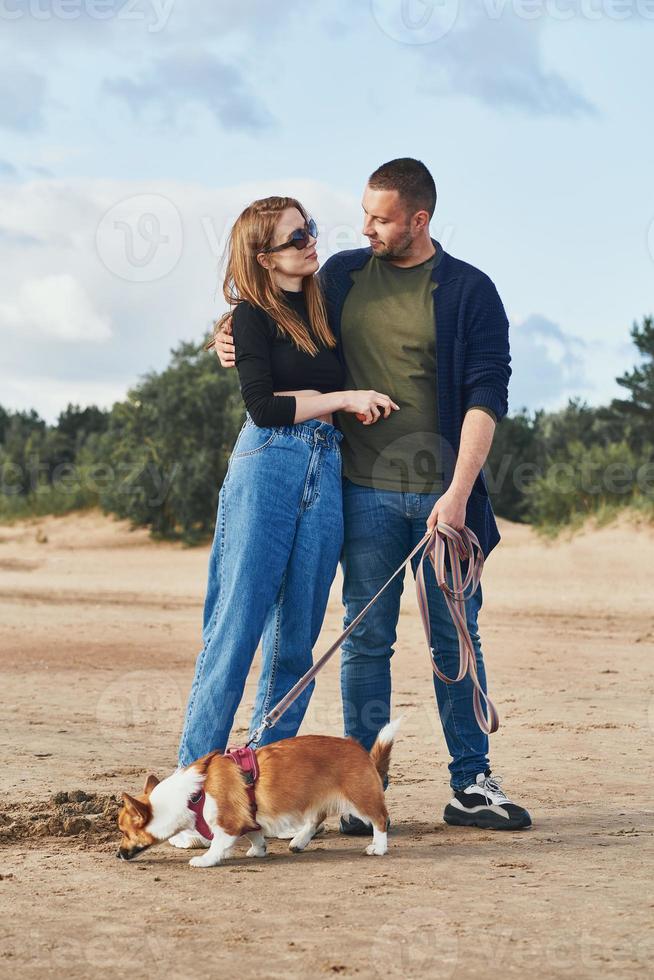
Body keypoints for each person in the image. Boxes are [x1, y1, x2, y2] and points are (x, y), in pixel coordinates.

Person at [214, 161, 532, 832]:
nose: (365, 228)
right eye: (363, 214)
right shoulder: (342, 277)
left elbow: (486, 398)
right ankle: (364, 795)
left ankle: (471, 784)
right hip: (361, 496)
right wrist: (227, 336)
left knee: (456, 641)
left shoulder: (471, 292)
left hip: (447, 502)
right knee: (366, 645)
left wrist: (458, 495)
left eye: (381, 218)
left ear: (419, 220)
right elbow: (271, 313)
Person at [177, 195, 398, 785]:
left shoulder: (328, 301)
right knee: (237, 626)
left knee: (295, 642)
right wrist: (346, 399)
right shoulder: (250, 316)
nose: (310, 243)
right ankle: (194, 789)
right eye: (296, 238)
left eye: (310, 231)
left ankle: (262, 789)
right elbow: (266, 407)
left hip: (327, 470)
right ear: (263, 257)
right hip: (269, 464)